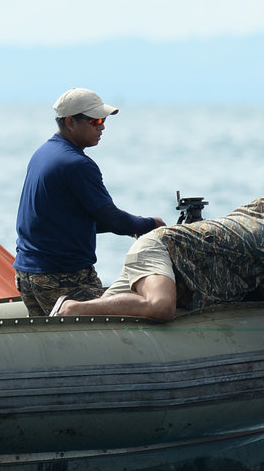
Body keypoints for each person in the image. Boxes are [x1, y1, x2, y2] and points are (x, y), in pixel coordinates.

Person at [53, 188, 264, 359]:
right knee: (160, 308)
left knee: (115, 318)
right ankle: (71, 307)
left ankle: (70, 331)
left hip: (183, 270)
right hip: (163, 250)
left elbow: (247, 255)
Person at [13, 88, 165, 316]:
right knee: (107, 326)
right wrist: (151, 225)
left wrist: (136, 224)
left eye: (103, 120)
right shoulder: (77, 164)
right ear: (71, 122)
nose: (102, 126)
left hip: (27, 274)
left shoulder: (44, 153)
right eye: (95, 121)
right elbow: (111, 219)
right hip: (61, 276)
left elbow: (67, 221)